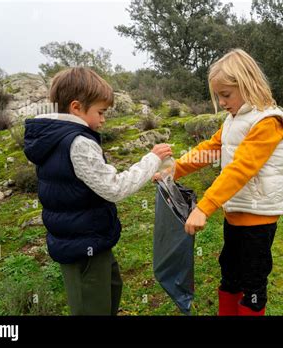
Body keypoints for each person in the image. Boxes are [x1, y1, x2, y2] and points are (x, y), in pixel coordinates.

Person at [154, 49, 283, 316]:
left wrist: (204, 207)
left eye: (226, 94)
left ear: (248, 84)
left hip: (258, 220)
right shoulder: (234, 120)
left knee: (253, 285)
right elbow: (210, 148)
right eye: (218, 95)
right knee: (229, 273)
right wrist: (174, 171)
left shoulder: (269, 122)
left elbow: (241, 169)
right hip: (234, 215)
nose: (221, 101)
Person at [24, 67, 172, 315]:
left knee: (111, 289)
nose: (104, 119)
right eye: (100, 112)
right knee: (93, 306)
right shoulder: (78, 143)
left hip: (85, 237)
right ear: (76, 108)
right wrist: (152, 159)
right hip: (82, 246)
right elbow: (114, 188)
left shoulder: (54, 136)